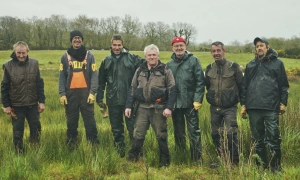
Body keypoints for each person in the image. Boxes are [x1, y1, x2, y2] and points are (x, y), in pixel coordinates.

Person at [240, 37, 289, 173]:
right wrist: (243, 104)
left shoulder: (277, 63)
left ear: (267, 47)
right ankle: (261, 167)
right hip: (253, 107)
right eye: (257, 46)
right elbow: (244, 87)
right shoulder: (250, 65)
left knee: (273, 138)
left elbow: (284, 85)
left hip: (271, 107)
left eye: (261, 45)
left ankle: (276, 168)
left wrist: (283, 103)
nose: (259, 48)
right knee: (257, 139)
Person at [125, 44, 176, 167]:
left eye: (154, 55)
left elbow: (172, 90)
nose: (152, 57)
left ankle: (164, 162)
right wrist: (128, 106)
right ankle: (133, 159)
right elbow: (132, 88)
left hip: (158, 108)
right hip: (142, 108)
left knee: (161, 135)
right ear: (145, 56)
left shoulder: (166, 70)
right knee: (138, 134)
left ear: (158, 56)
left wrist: (169, 107)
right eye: (149, 55)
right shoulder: (139, 70)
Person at [96, 35, 144, 158]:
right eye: (114, 45)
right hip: (113, 100)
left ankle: (136, 153)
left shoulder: (132, 58)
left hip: (130, 99)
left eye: (119, 45)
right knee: (116, 129)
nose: (117, 47)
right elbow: (101, 81)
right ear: (111, 45)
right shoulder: (106, 61)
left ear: (123, 45)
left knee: (133, 128)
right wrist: (99, 97)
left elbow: (147, 65)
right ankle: (120, 153)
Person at [1, 41, 45, 154]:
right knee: (17, 132)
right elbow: (4, 87)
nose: (21, 55)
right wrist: (6, 105)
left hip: (32, 104)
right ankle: (19, 154)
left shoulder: (34, 63)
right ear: (15, 52)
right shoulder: (8, 66)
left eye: (23, 53)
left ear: (27, 52)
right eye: (18, 53)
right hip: (16, 106)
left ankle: (34, 151)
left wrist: (41, 102)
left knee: (36, 129)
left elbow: (39, 83)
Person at [166, 37, 205, 163]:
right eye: (176, 46)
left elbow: (200, 81)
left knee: (194, 132)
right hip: (176, 105)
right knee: (178, 132)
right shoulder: (169, 65)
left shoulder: (194, 61)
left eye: (181, 45)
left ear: (185, 46)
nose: (179, 48)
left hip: (190, 104)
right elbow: (166, 85)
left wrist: (198, 99)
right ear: (172, 48)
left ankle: (197, 159)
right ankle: (181, 157)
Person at [59, 30, 99, 150]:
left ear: (82, 40)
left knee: (90, 123)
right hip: (71, 97)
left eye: (79, 38)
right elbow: (62, 76)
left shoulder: (90, 56)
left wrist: (92, 92)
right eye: (74, 38)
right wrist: (62, 94)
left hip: (86, 96)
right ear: (71, 40)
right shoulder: (65, 57)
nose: (77, 40)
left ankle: (93, 146)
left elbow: (94, 75)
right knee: (71, 124)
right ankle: (71, 147)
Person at [205, 41, 243, 167]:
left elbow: (242, 86)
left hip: (230, 107)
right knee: (216, 134)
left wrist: (244, 105)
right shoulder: (209, 68)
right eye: (214, 51)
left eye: (218, 50)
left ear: (224, 51)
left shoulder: (234, 66)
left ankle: (234, 162)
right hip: (214, 108)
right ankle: (222, 159)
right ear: (211, 53)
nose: (216, 53)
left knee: (231, 133)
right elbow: (207, 85)